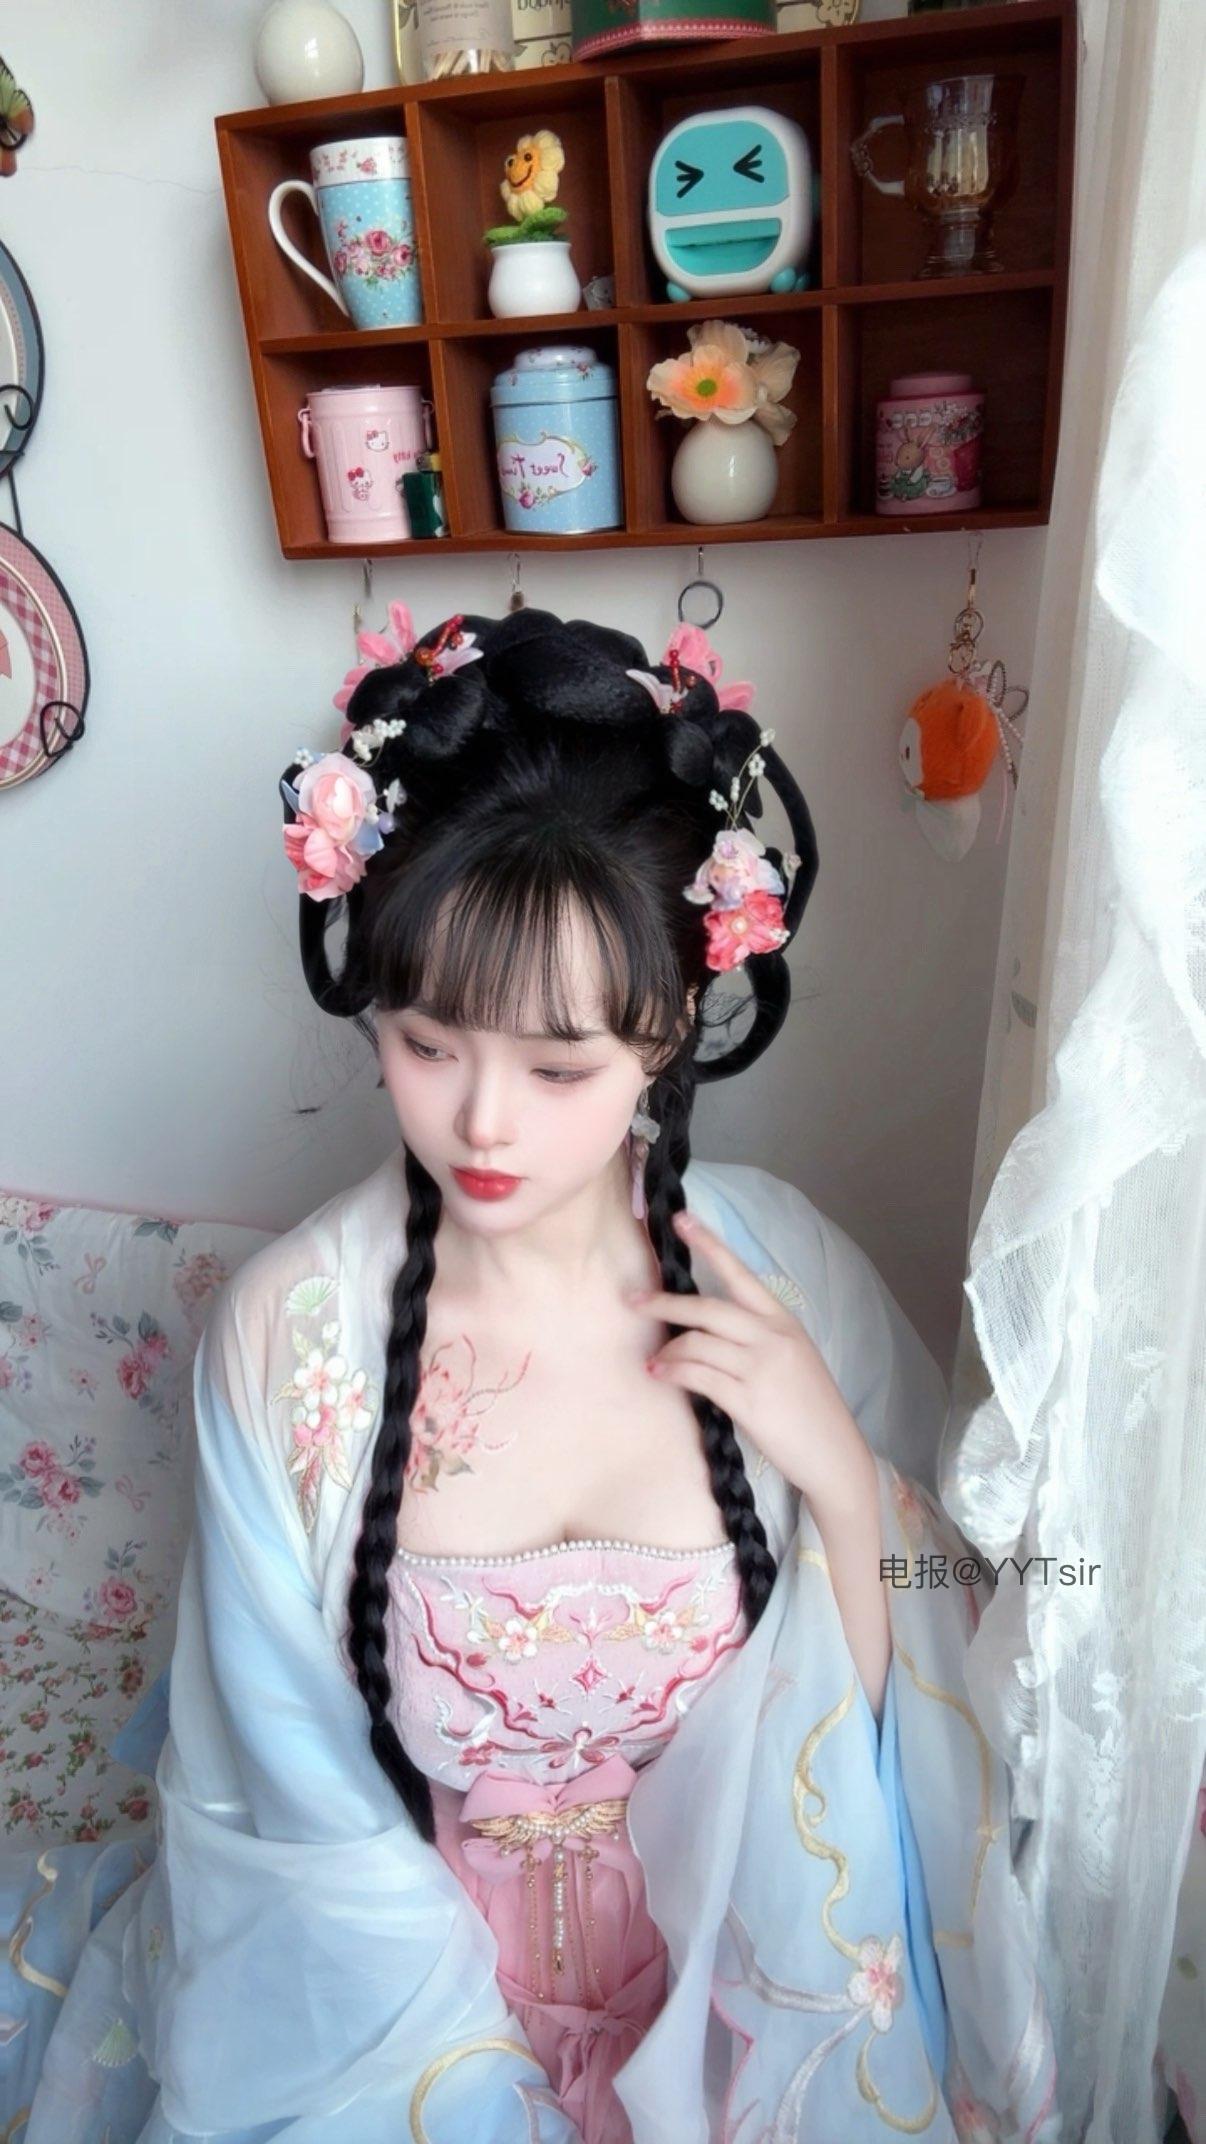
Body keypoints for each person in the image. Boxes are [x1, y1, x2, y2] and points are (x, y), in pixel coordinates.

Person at [4, 605, 1060, 2142]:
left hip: (740, 1965)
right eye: (429, 1042)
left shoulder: (781, 1278)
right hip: (392, 1999)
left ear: (671, 1029)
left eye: (560, 1067)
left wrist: (839, 1475)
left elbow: (939, 1647)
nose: (483, 1123)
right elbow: (286, 1801)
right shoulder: (291, 1339)